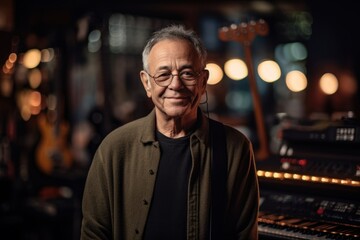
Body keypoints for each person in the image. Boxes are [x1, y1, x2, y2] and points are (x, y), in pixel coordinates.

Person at [80, 24, 259, 240]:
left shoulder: (235, 148)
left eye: (187, 73)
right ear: (147, 83)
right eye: (163, 75)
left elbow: (244, 235)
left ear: (202, 82)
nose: (176, 84)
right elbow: (94, 233)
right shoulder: (115, 147)